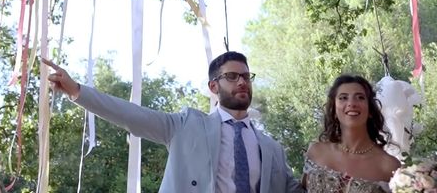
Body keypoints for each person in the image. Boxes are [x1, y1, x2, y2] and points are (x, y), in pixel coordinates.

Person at [43, 52, 303, 193]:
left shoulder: (272, 149)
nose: (242, 82)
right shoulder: (186, 125)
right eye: (232, 76)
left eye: (246, 76)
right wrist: (77, 90)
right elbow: (130, 114)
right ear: (214, 85)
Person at [302, 75, 401, 193]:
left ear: (370, 110)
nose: (352, 103)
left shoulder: (389, 166)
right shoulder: (316, 152)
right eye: (343, 98)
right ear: (334, 110)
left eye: (360, 97)